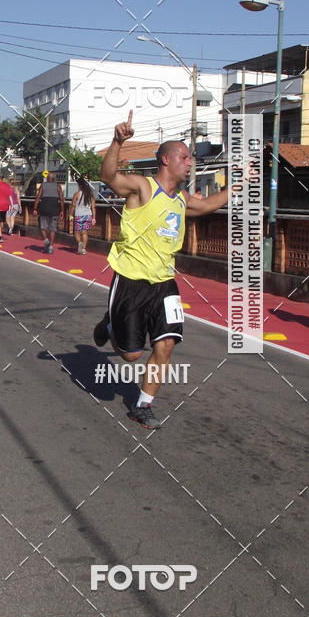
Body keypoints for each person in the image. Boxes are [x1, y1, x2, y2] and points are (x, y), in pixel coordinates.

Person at [93, 111, 233, 429]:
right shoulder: (143, 187)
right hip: (131, 279)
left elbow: (208, 205)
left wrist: (237, 187)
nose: (189, 162)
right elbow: (109, 176)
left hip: (164, 283)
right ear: (166, 160)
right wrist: (117, 141)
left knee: (166, 344)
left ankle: (143, 405)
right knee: (131, 355)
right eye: (184, 157)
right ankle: (111, 325)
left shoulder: (182, 199)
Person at [33, 170, 64, 254]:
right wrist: (62, 211)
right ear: (54, 179)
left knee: (42, 226)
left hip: (44, 207)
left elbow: (38, 197)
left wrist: (35, 208)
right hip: (55, 208)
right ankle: (50, 246)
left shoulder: (43, 186)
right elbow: (61, 199)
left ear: (47, 178)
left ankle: (46, 240)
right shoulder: (58, 186)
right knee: (53, 228)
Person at [69, 176, 96, 254]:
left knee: (76, 232)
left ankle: (79, 242)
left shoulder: (77, 194)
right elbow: (93, 207)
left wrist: (70, 214)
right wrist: (94, 218)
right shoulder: (91, 195)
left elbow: (73, 205)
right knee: (84, 232)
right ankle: (84, 249)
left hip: (78, 215)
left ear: (80, 186)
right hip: (88, 215)